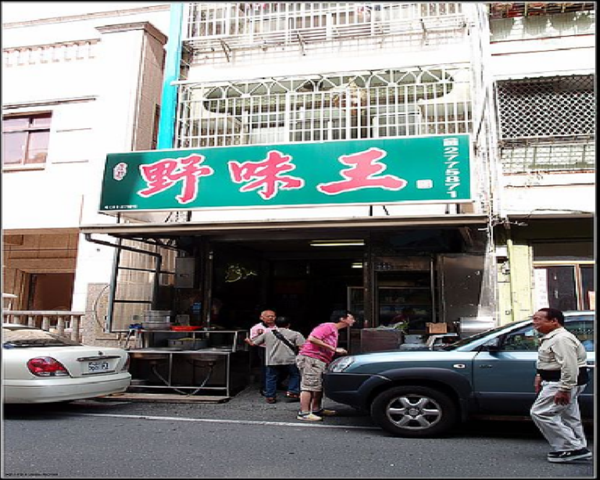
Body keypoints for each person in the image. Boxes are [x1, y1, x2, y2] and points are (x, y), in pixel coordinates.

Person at [530, 308, 592, 463]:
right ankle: (577, 445)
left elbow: (569, 365)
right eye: (534, 319)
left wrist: (564, 389)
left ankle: (572, 448)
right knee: (569, 415)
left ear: (554, 321)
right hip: (560, 381)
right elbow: (551, 361)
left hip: (559, 383)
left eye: (538, 319)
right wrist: (540, 375)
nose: (534, 322)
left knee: (541, 413)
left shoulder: (561, 339)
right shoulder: (553, 337)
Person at [295, 310, 356, 422]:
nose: (353, 320)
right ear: (342, 319)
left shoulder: (334, 330)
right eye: (351, 318)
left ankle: (316, 409)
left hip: (320, 360)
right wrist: (334, 349)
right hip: (311, 358)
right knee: (308, 385)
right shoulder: (327, 326)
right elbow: (312, 339)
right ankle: (304, 413)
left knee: (318, 386)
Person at [249, 316, 305, 404]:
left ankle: (270, 396)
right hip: (289, 359)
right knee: (294, 375)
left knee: (271, 378)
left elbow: (254, 343)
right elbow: (302, 347)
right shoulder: (295, 334)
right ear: (288, 325)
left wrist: (247, 340)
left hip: (272, 360)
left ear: (276, 324)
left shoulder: (267, 333)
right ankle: (292, 392)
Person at [245, 309, 277, 396]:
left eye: (273, 316)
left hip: (278, 349)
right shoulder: (256, 328)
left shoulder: (278, 326)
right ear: (261, 318)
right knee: (266, 368)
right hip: (264, 349)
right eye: (268, 316)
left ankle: (277, 384)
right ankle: (265, 387)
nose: (271, 318)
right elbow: (253, 340)